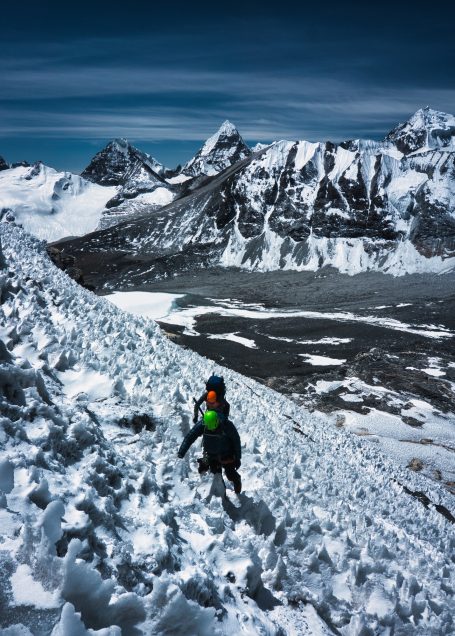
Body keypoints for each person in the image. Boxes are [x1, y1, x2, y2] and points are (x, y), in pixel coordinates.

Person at [178, 409, 242, 494]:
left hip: (226, 454)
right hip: (209, 453)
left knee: (230, 474)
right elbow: (190, 436)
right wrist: (181, 452)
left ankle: (237, 480)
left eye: (213, 428)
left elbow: (236, 440)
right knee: (207, 470)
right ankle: (220, 492)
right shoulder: (203, 424)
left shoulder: (227, 425)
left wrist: (237, 458)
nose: (211, 430)